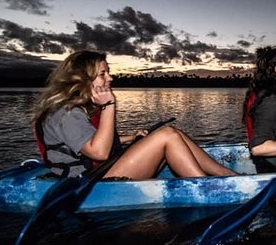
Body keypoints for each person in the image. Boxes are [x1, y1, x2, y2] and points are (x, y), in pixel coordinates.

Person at [31, 50, 237, 179]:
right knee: (167, 136)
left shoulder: (75, 108)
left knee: (173, 132)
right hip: (90, 182)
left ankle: (227, 175)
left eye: (108, 72)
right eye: (103, 74)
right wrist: (109, 105)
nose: (110, 78)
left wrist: (132, 136)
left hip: (101, 171)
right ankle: (205, 188)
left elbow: (86, 141)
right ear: (82, 78)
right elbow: (99, 152)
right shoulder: (65, 112)